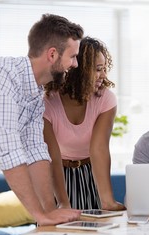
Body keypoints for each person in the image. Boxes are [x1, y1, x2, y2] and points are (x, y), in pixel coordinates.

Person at [0, 14, 83, 226]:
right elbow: (7, 147)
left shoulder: (36, 92)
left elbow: (35, 149)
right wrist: (40, 215)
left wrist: (50, 210)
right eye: (72, 57)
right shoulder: (3, 76)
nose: (75, 64)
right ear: (52, 54)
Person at [43, 37, 125, 211]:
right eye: (97, 69)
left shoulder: (105, 99)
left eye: (104, 69)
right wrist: (63, 203)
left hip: (90, 173)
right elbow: (52, 156)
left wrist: (108, 201)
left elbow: (99, 149)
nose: (103, 75)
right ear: (77, 70)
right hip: (55, 174)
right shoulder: (47, 102)